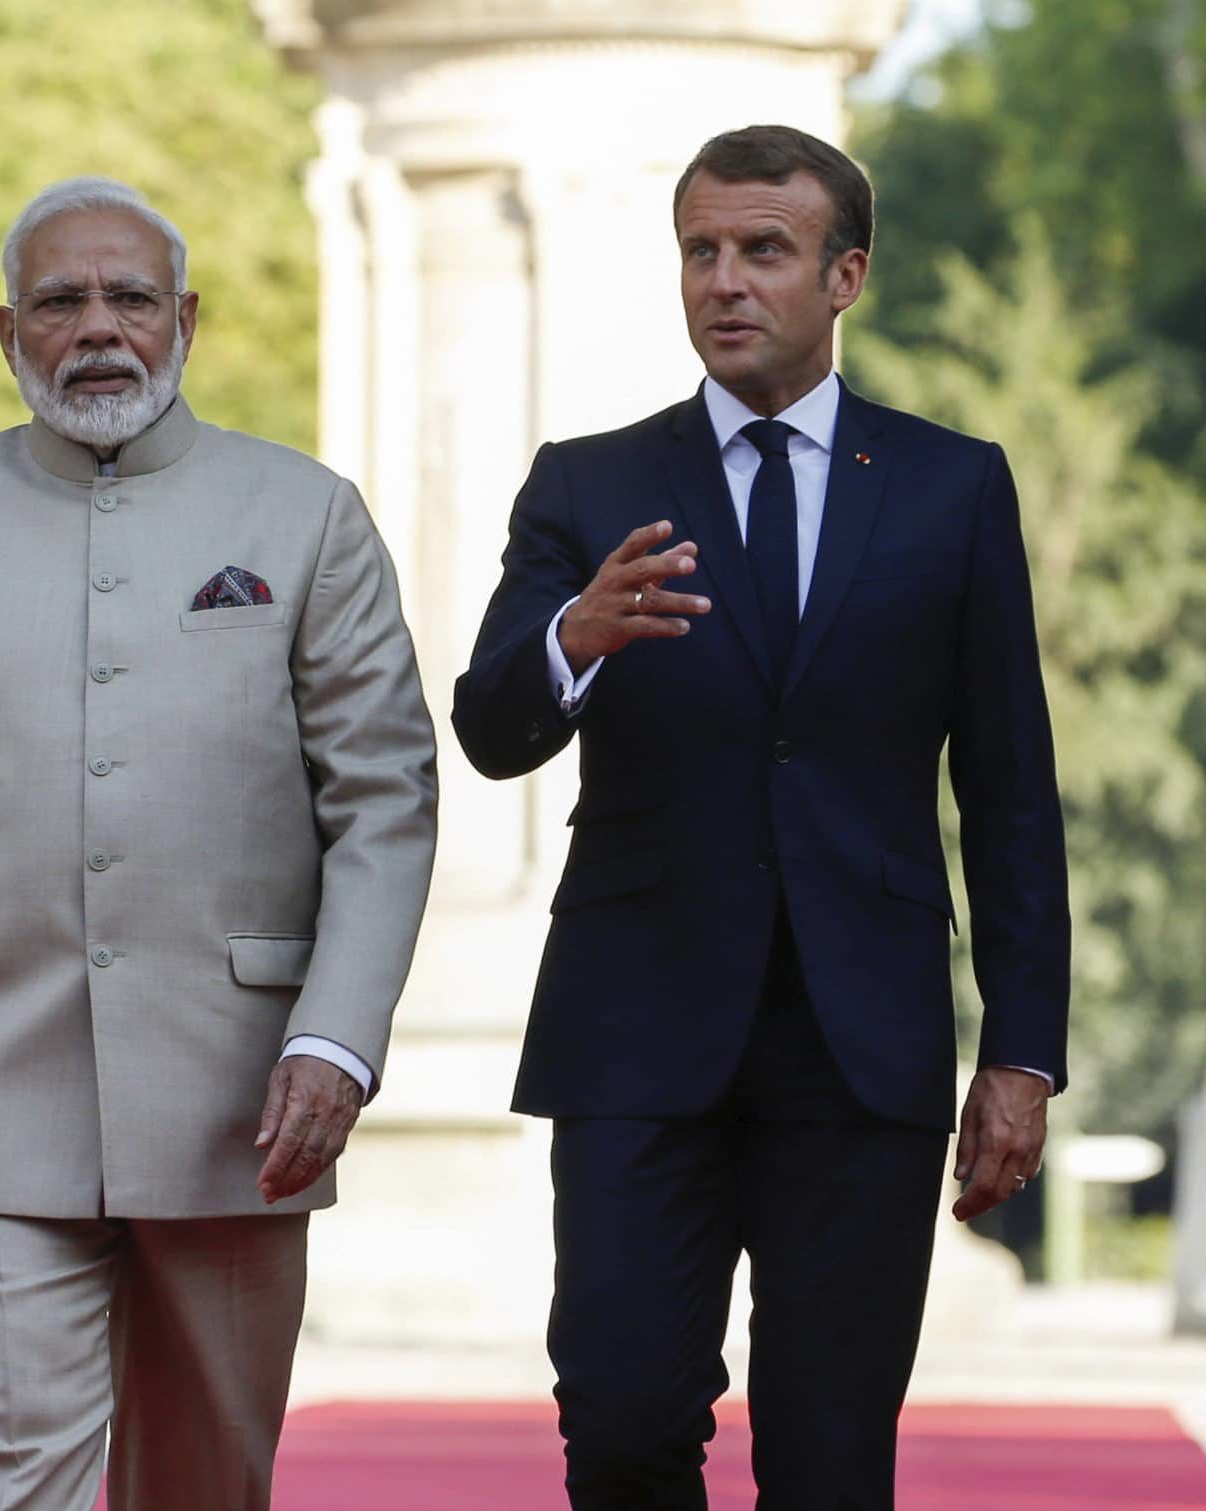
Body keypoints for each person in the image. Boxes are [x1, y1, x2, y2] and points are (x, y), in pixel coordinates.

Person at [450, 124, 1069, 1508]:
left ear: (843, 274)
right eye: (700, 251)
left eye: (763, 252)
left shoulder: (949, 485)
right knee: (617, 1418)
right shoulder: (587, 484)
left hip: (861, 1040)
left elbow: (1011, 790)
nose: (723, 281)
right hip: (634, 1029)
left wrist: (1020, 1052)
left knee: (831, 1453)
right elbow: (490, 727)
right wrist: (571, 635)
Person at [0, 176, 438, 1511]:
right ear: (8, 333)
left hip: (239, 1097)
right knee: (11, 1457)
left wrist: (334, 1038)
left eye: (129, 298)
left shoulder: (306, 514)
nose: (97, 328)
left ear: (186, 320)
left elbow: (383, 798)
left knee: (204, 1481)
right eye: (60, 301)